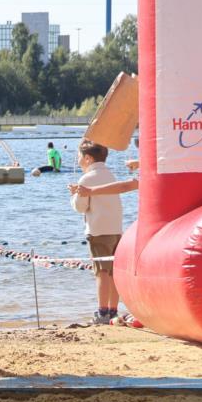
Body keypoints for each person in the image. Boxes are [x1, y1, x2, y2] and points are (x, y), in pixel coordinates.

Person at [69, 139, 123, 325]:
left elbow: (80, 207)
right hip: (116, 228)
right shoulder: (110, 175)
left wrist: (74, 195)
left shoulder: (86, 179)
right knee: (113, 271)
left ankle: (102, 312)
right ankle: (113, 311)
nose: (78, 160)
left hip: (98, 230)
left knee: (101, 272)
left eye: (79, 156)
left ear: (88, 158)